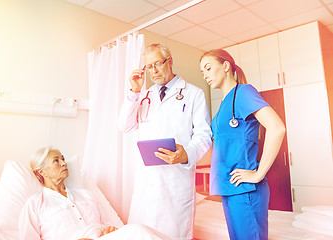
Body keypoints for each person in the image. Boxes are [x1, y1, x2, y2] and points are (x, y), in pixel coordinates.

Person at [118, 43, 212, 239]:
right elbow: (124, 126)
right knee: (143, 234)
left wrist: (186, 154)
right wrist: (134, 92)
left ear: (170, 62)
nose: (153, 71)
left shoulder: (193, 94)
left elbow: (204, 136)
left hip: (175, 182)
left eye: (157, 64)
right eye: (149, 66)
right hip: (148, 183)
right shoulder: (144, 97)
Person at [199, 49, 286, 240]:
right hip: (229, 187)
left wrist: (258, 174)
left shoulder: (244, 92)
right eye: (202, 72)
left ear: (226, 66)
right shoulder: (223, 104)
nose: (205, 75)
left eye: (208, 68)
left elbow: (277, 128)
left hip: (246, 188)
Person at [18, 146, 170, 240]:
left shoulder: (85, 195)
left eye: (63, 159)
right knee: (139, 231)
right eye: (56, 161)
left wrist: (110, 229)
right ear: (41, 171)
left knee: (140, 231)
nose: (64, 163)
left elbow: (107, 223)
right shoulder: (35, 204)